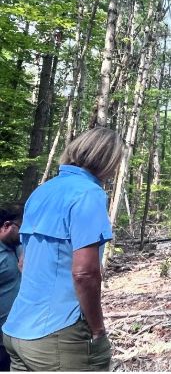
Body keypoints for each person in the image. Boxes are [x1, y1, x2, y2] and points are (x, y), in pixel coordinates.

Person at [2, 127, 124, 371]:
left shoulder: (42, 191)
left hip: (17, 330)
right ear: (108, 161)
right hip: (58, 335)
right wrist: (98, 329)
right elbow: (84, 273)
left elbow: (24, 263)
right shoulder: (89, 194)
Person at [0, 206, 22, 371]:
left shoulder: (17, 246)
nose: (24, 232)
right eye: (21, 227)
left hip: (17, 335)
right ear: (7, 225)